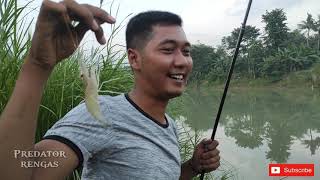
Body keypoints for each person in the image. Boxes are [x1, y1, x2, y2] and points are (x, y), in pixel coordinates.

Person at [0, 0, 220, 179]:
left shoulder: (169, 125)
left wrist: (191, 167)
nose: (182, 61)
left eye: (187, 52)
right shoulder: (101, 112)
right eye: (168, 50)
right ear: (134, 58)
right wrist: (38, 66)